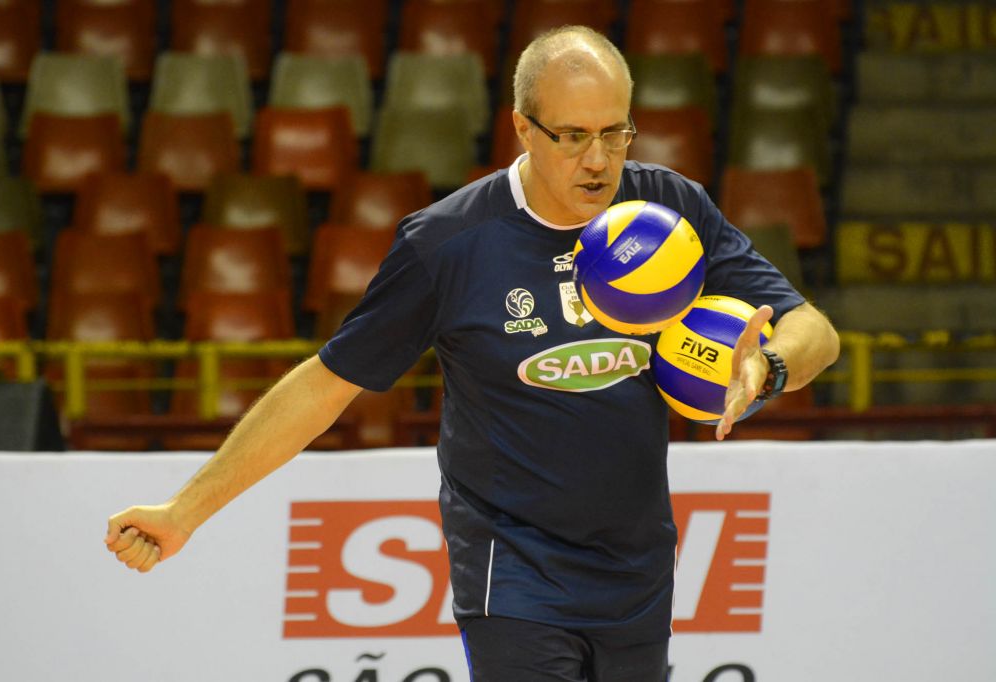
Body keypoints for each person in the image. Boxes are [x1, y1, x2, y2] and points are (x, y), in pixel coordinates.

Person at [106, 26, 840, 681]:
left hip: (637, 564)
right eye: (572, 135)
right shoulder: (447, 244)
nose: (599, 160)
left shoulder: (668, 212)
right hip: (511, 567)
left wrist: (768, 366)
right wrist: (186, 510)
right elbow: (324, 388)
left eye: (616, 134)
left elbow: (814, 329)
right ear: (522, 128)